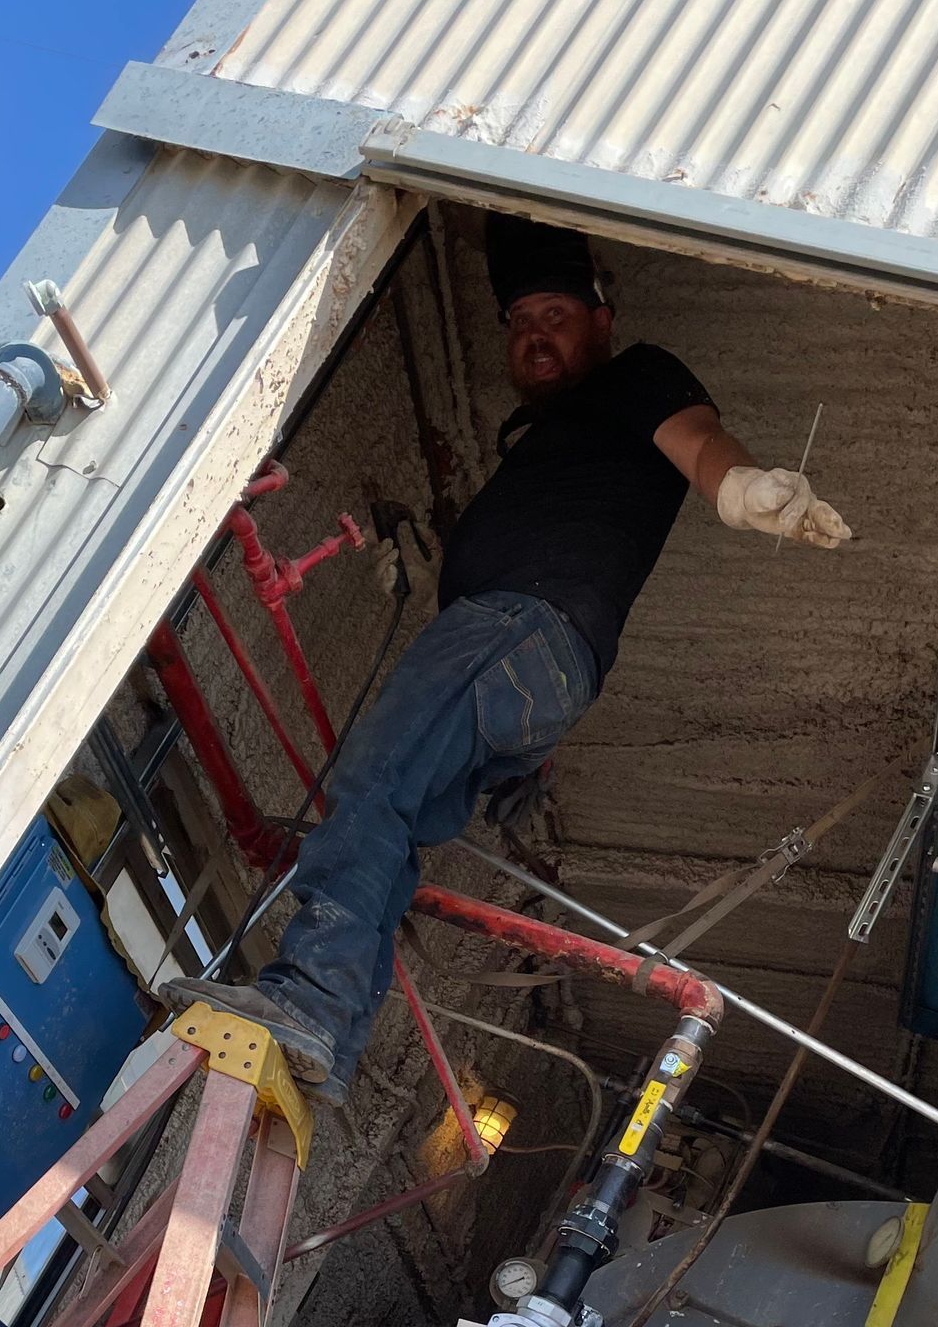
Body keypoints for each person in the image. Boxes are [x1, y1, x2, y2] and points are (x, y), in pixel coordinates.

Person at [174, 217, 852, 1105]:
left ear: (602, 319)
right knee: (396, 824)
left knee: (374, 788)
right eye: (519, 319)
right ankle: (325, 1039)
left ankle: (306, 999)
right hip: (530, 662)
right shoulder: (546, 439)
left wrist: (743, 492)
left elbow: (695, 441)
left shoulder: (637, 376)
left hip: (515, 631)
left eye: (557, 313)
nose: (535, 332)